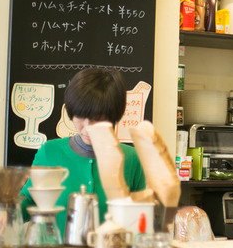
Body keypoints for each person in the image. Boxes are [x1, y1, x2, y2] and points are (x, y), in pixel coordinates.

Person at [20, 68, 146, 235]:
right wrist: (6, 212)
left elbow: (144, 218)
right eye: (80, 116)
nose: (87, 127)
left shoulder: (131, 159)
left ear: (114, 115)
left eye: (98, 119)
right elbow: (27, 201)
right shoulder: (49, 153)